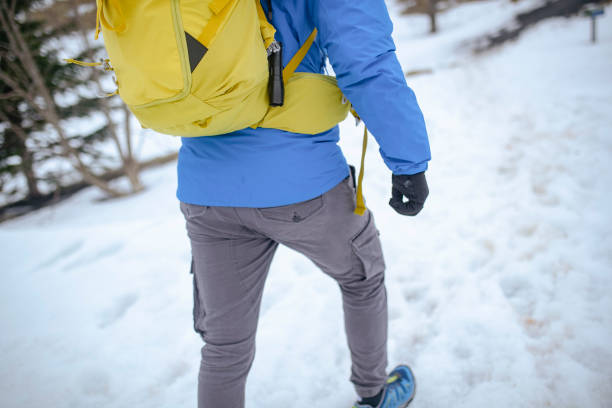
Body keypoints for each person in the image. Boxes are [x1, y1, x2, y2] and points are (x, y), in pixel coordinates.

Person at [177, 0, 431, 407]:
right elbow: (364, 61)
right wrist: (409, 160)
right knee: (362, 277)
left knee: (225, 344)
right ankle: (374, 393)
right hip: (301, 185)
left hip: (206, 190)